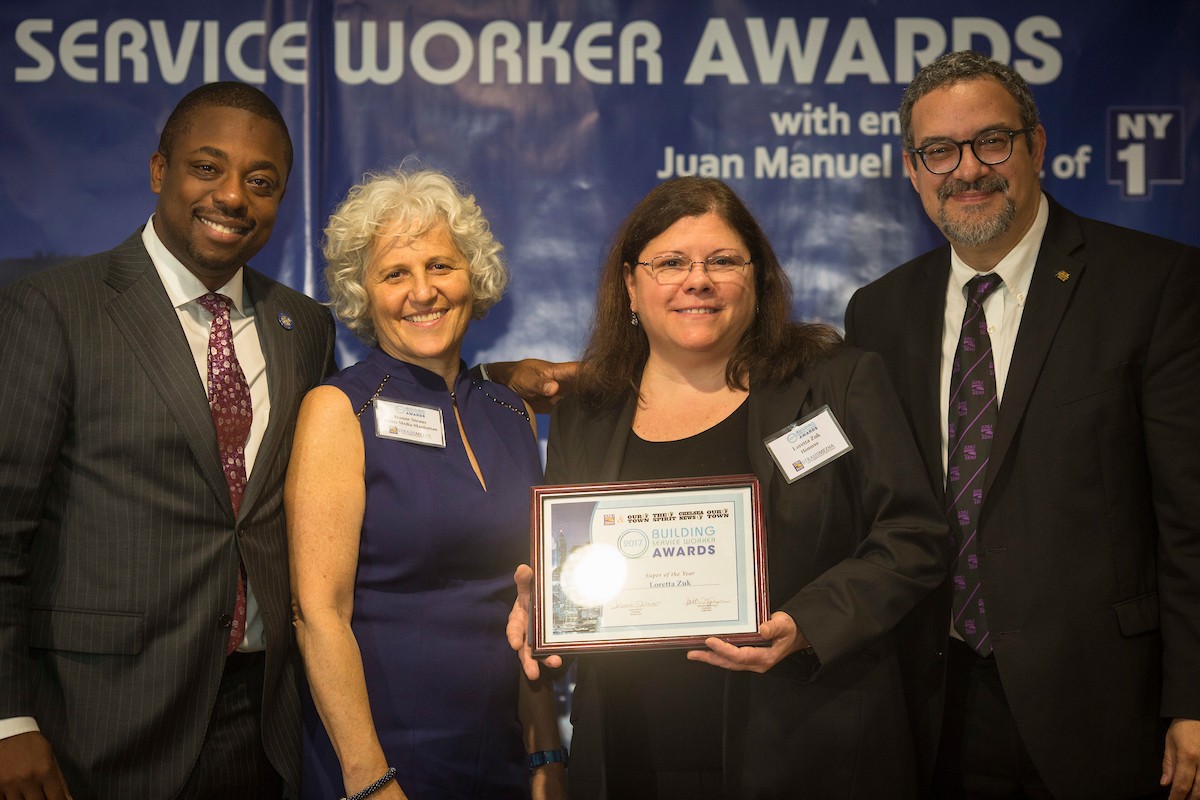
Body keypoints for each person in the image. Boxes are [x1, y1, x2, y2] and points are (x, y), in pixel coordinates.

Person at [508, 175, 950, 799]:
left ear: (759, 278)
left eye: (723, 260)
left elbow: (914, 535)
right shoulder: (590, 410)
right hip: (632, 757)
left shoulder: (837, 383)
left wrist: (808, 623)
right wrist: (549, 603)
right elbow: (575, 559)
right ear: (630, 287)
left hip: (810, 749)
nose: (698, 280)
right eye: (670, 263)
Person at [843, 50, 1200, 800]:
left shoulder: (1155, 284)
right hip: (932, 704)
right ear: (913, 171)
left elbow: (1190, 516)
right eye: (939, 150)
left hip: (1104, 705)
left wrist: (1193, 700)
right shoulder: (878, 312)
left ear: (1036, 147)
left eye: (991, 142)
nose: (967, 169)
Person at [0, 82, 338, 798]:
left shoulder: (304, 327)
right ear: (160, 171)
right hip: (96, 724)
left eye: (261, 181)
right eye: (207, 168)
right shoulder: (55, 310)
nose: (233, 197)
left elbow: (353, 442)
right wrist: (6, 718)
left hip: (258, 723)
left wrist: (487, 384)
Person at [286, 167, 567, 800]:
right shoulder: (339, 410)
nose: (423, 291)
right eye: (395, 273)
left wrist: (547, 755)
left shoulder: (509, 411)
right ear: (365, 291)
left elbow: (529, 605)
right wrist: (369, 780)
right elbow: (317, 615)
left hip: (502, 758)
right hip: (383, 761)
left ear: (474, 276)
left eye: (441, 266)